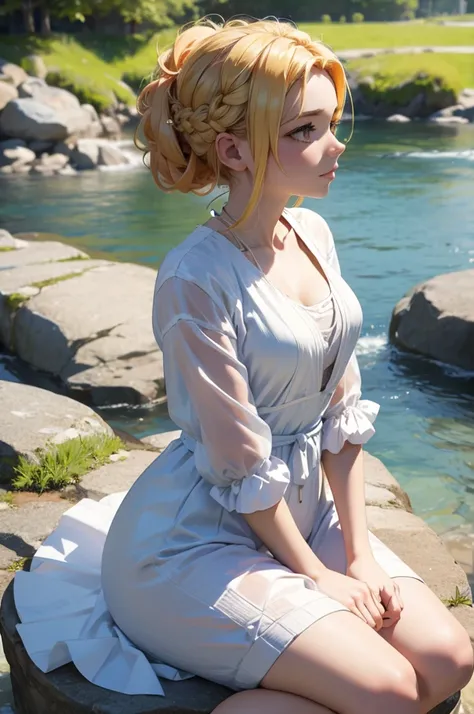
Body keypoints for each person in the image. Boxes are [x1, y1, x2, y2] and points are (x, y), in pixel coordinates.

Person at [13, 16, 472, 714]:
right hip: (193, 546)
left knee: (449, 661)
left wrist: (358, 556)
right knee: (389, 693)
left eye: (331, 121)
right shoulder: (193, 279)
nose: (335, 143)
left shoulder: (312, 232)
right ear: (234, 149)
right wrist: (316, 575)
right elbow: (237, 464)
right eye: (305, 130)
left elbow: (341, 416)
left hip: (306, 515)